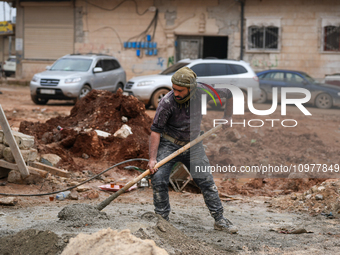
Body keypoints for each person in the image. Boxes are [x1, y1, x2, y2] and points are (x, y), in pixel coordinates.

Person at [147, 67, 237, 234]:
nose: (175, 93)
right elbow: (155, 131)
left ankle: (220, 219)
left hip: (193, 143)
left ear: (192, 88)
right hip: (169, 143)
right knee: (158, 178)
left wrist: (228, 116)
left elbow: (230, 93)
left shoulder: (204, 92)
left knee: (206, 181)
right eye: (173, 88)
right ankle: (162, 220)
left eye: (180, 90)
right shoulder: (166, 102)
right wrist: (152, 159)